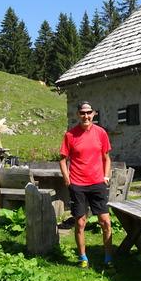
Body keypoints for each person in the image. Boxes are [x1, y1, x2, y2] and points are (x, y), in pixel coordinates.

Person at [59, 101, 114, 271]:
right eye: (82, 113)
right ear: (78, 115)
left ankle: (108, 258)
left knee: (105, 222)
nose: (86, 116)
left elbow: (106, 157)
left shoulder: (101, 133)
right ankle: (83, 258)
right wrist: (68, 180)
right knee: (80, 223)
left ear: (93, 114)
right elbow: (62, 159)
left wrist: (105, 176)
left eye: (89, 112)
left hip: (97, 184)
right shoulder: (70, 135)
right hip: (78, 185)